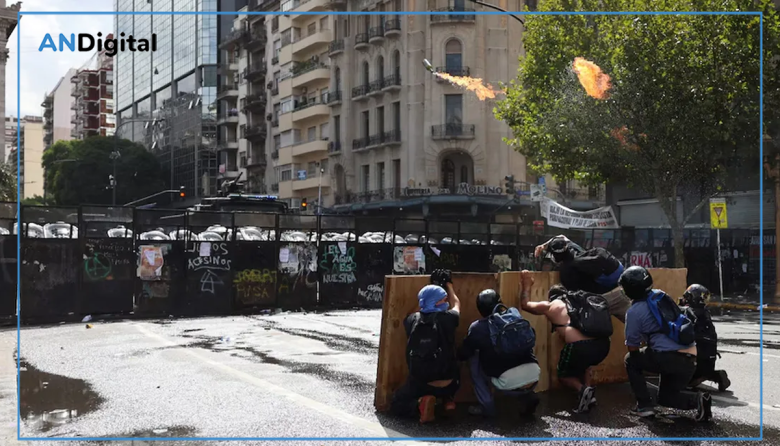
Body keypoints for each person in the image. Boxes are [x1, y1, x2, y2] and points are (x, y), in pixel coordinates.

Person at [620, 266, 713, 421]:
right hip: (690, 358)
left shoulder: (633, 312)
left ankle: (644, 406)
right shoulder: (660, 295)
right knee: (666, 398)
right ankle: (699, 400)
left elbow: (632, 347)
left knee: (630, 360)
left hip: (667, 358)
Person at [519, 271, 611, 413]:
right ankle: (589, 394)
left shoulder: (552, 305)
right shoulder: (580, 302)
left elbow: (525, 305)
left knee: (564, 374)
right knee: (586, 365)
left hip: (580, 347)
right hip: (603, 345)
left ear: (552, 296)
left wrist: (527, 284)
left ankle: (583, 390)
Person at [390, 269, 461, 423]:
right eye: (443, 299)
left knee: (396, 402)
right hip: (450, 382)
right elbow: (456, 304)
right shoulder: (449, 318)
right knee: (454, 358)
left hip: (422, 383)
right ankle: (448, 400)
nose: (446, 301)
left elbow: (409, 314)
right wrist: (449, 285)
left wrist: (425, 294)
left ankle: (419, 404)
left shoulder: (413, 320)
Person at [457, 288, 541, 418]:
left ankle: (487, 408)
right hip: (534, 373)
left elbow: (463, 354)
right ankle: (527, 396)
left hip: (507, 382)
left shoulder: (477, 327)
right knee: (518, 351)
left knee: (474, 359)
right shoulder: (514, 316)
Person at [535, 235, 630, 323]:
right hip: (621, 291)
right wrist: (544, 245)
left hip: (603, 300)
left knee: (582, 328)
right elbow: (562, 237)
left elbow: (574, 296)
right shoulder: (575, 249)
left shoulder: (566, 272)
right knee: (635, 325)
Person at [680, 284, 731, 392]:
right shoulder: (705, 313)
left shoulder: (687, 312)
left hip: (694, 363)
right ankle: (714, 375)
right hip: (709, 362)